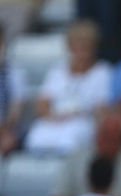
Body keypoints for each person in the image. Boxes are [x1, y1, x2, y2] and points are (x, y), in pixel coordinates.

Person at [24, 20, 112, 156]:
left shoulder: (103, 72)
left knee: (71, 140)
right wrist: (53, 117)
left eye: (87, 45)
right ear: (70, 47)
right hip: (54, 120)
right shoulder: (57, 71)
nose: (82, 50)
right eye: (79, 45)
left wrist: (75, 115)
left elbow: (102, 109)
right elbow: (42, 104)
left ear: (94, 47)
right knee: (36, 138)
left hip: (83, 122)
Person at [0, 24, 28, 157]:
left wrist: (4, 129)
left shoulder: (15, 74)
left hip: (7, 130)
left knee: (7, 141)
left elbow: (15, 112)